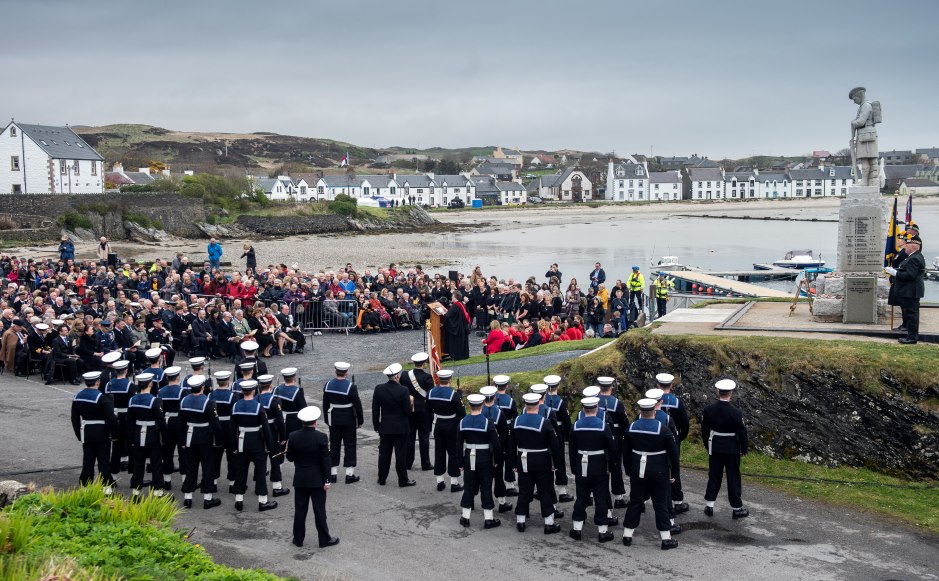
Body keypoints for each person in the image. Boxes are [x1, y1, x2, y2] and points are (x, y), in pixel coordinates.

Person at [621, 398, 680, 550]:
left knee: (635, 502)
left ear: (641, 412)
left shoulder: (631, 427)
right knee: (660, 504)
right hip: (659, 471)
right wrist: (674, 473)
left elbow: (625, 453)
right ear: (654, 411)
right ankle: (666, 539)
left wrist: (628, 470)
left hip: (637, 471)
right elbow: (674, 455)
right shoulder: (663, 429)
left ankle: (627, 535)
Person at [287, 406, 339, 549]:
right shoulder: (321, 437)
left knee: (300, 510)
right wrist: (327, 480)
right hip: (317, 480)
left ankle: (298, 539)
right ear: (315, 422)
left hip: (300, 479)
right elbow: (325, 461)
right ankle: (324, 539)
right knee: (319, 511)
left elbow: (290, 458)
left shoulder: (293, 436)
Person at [511, 392, 563, 534]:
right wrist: (556, 464)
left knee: (524, 490)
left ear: (526, 405)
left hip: (523, 460)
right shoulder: (544, 422)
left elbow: (511, 444)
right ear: (538, 405)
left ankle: (520, 521)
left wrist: (513, 463)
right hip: (541, 460)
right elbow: (554, 445)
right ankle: (549, 523)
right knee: (545, 491)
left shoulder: (517, 421)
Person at [568, 395, 616, 542]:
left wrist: (574, 468)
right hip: (599, 465)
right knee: (600, 498)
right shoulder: (603, 426)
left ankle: (577, 529)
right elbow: (612, 449)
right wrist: (611, 465)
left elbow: (571, 449)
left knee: (581, 497)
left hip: (581, 465)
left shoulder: (575, 426)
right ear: (597, 408)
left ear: (583, 409)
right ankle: (602, 531)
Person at [701, 379, 749, 520]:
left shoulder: (708, 410)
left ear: (718, 392)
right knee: (733, 478)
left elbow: (704, 431)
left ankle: (709, 505)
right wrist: (744, 448)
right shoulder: (736, 412)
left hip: (715, 446)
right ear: (731, 393)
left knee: (714, 476)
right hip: (732, 448)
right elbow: (742, 432)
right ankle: (736, 508)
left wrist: (707, 445)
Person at [230, 379, 279, 512]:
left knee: (241, 471)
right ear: (253, 390)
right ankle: (262, 501)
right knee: (260, 471)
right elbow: (266, 429)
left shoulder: (235, 406)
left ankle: (238, 500)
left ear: (242, 391)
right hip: (257, 442)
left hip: (241, 442)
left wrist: (233, 446)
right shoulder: (258, 406)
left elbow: (231, 428)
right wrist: (270, 446)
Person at [457, 393, 503, 530]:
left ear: (470, 406)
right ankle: (488, 519)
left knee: (469, 486)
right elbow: (496, 444)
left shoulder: (462, 422)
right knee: (486, 486)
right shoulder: (488, 423)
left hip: (468, 458)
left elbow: (458, 445)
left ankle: (465, 517)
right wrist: (498, 461)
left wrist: (459, 463)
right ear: (482, 405)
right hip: (484, 458)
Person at [178, 375, 223, 510]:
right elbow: (216, 425)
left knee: (191, 467)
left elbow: (180, 424)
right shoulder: (209, 402)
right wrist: (219, 441)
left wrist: (182, 441)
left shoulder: (184, 401)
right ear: (203, 387)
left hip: (189, 438)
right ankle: (207, 498)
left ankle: (188, 497)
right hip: (205, 438)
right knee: (207, 467)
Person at [70, 371, 117, 494]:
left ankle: (85, 487)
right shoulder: (102, 398)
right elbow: (111, 418)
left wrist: (79, 435)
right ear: (98, 382)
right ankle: (107, 489)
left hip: (86, 432)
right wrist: (114, 434)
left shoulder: (77, 397)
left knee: (88, 460)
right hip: (102, 432)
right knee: (103, 461)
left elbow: (74, 418)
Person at [372, 363, 415, 487]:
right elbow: (407, 411)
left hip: (385, 427)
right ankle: (403, 480)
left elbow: (375, 410)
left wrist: (376, 426)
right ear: (396, 376)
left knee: (384, 454)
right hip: (400, 427)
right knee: (400, 455)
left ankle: (382, 478)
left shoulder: (379, 389)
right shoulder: (403, 390)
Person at [127, 371, 167, 500]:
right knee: (156, 463)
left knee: (138, 464)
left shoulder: (132, 399)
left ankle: (135, 492)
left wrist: (131, 438)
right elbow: (161, 421)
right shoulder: (155, 401)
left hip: (138, 434)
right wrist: (165, 437)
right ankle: (157, 492)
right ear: (150, 384)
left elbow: (130, 421)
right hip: (152, 435)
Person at [322, 362, 363, 483]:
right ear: (346, 373)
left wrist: (326, 419)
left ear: (335, 371)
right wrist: (360, 420)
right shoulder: (351, 386)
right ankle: (349, 474)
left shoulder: (328, 384)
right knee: (350, 445)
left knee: (334, 445)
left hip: (333, 418)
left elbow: (325, 405)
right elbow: (358, 404)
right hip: (348, 419)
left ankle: (333, 473)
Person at [655, 373, 690, 514]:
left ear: (658, 385)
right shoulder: (677, 402)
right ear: (671, 385)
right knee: (674, 469)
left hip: (654, 441)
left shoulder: (652, 401)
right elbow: (685, 424)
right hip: (673, 440)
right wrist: (678, 438)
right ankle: (677, 501)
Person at [480, 385, 514, 514]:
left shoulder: (479, 412)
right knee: (498, 476)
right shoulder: (499, 412)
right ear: (495, 397)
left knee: (484, 478)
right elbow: (505, 432)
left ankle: (480, 503)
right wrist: (504, 448)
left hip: (482, 450)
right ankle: (502, 502)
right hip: (496, 448)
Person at [888, 235, 926, 344]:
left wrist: (895, 273)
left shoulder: (914, 258)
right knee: (910, 314)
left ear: (914, 247)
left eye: (907, 245)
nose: (905, 248)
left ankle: (912, 338)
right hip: (910, 290)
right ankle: (911, 336)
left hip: (911, 291)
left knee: (911, 315)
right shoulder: (912, 257)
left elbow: (910, 275)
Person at [597, 376, 628, 509]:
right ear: (611, 388)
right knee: (615, 465)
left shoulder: (593, 402)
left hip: (598, 435)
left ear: (599, 387)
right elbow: (625, 423)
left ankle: (596, 494)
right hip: (614, 435)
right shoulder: (617, 403)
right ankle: (619, 497)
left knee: (600, 465)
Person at [258, 374, 291, 498]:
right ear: (271, 386)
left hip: (259, 432)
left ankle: (259, 486)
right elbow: (280, 421)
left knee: (261, 461)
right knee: (275, 459)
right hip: (272, 432)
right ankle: (277, 487)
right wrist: (283, 437)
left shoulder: (256, 398)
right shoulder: (275, 400)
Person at [401, 352, 434, 471]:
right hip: (423, 410)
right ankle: (425, 463)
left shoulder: (404, 375)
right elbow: (430, 395)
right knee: (424, 437)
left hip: (409, 408)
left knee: (410, 436)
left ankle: (407, 463)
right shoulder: (427, 377)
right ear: (424, 363)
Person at [543, 375, 573, 503]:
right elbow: (566, 422)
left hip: (543, 434)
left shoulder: (541, 402)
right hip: (558, 433)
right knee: (559, 462)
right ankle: (562, 492)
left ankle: (542, 489)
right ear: (557, 387)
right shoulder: (561, 402)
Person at [158, 366, 188, 490]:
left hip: (166, 421)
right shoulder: (183, 391)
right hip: (179, 423)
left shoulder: (160, 391)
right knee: (183, 452)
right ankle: (185, 480)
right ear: (178, 377)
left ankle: (167, 480)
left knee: (167, 452)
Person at [104, 358, 135, 475]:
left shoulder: (109, 384)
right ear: (126, 371)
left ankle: (114, 474)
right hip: (127, 417)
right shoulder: (130, 385)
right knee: (131, 445)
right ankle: (133, 473)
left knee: (116, 447)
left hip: (114, 417)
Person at [208, 370, 238, 492]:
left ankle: (214, 482)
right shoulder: (233, 396)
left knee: (215, 457)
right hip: (229, 427)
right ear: (228, 381)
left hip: (216, 427)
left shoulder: (211, 395)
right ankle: (232, 483)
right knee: (232, 456)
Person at [849, 86, 881, 188]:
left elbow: (861, 121)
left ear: (859, 96)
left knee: (866, 160)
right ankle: (871, 182)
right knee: (870, 160)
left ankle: (865, 181)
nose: (854, 102)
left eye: (854, 99)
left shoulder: (866, 106)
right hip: (867, 135)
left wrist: (853, 122)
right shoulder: (864, 106)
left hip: (866, 136)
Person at [493, 374, 518, 496]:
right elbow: (515, 417)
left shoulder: (490, 399)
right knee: (508, 456)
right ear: (506, 386)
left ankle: (498, 483)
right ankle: (509, 485)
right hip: (507, 430)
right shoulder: (510, 400)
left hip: (493, 430)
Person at [274, 367, 308, 437]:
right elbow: (304, 409)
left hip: (280, 419)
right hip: (294, 421)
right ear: (294, 377)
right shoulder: (297, 391)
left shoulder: (276, 389)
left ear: (284, 378)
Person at [443, 290, 471, 360]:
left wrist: (445, 313)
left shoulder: (455, 306)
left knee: (456, 343)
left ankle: (457, 356)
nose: (451, 297)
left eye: (452, 296)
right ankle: (464, 355)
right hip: (463, 327)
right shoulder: (461, 304)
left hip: (457, 329)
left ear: (455, 297)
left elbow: (448, 316)